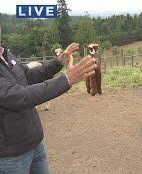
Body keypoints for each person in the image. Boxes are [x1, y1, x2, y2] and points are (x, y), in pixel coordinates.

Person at [0, 42, 97, 174]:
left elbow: (29, 76)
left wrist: (58, 62)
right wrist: (67, 79)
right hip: (11, 155)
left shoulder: (5, 53)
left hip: (35, 142)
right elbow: (21, 96)